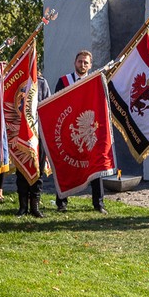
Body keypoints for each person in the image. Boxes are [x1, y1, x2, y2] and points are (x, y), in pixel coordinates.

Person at [53, 50, 107, 214]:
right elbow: (55, 104)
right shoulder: (64, 81)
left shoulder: (96, 81)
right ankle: (61, 203)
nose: (82, 65)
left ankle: (98, 204)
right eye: (80, 61)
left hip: (90, 133)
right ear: (74, 63)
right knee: (65, 166)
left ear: (90, 65)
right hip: (68, 132)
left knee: (96, 167)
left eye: (86, 62)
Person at [17, 74, 51, 218]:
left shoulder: (42, 83)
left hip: (38, 134)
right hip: (19, 133)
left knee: (38, 170)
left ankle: (35, 205)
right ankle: (23, 206)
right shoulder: (17, 81)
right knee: (21, 170)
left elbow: (48, 104)